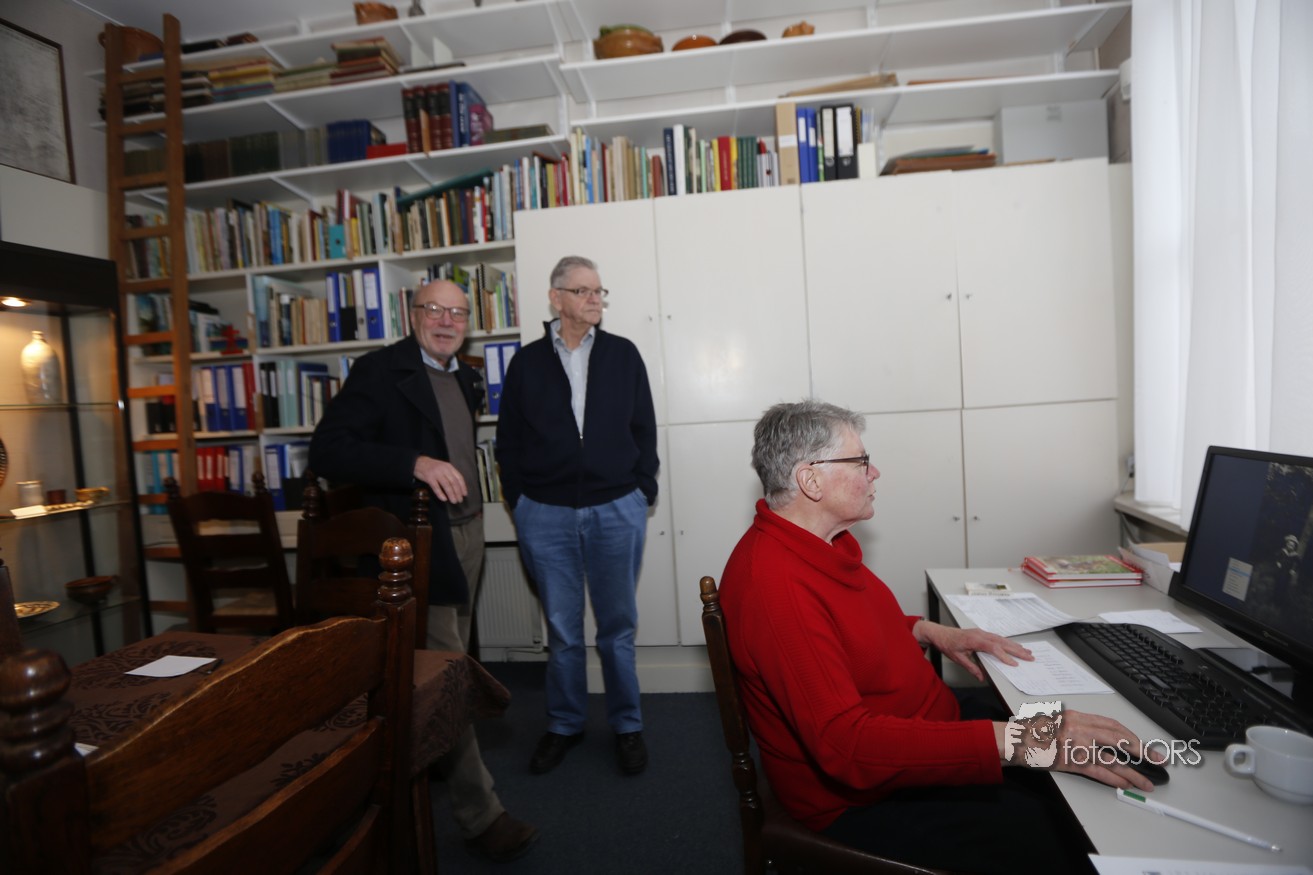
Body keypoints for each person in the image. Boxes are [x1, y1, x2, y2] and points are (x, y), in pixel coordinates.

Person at [719, 399, 1163, 874]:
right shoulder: (774, 587)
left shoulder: (818, 544)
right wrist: (1019, 740)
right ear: (812, 481)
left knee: (1088, 757)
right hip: (865, 793)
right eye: (861, 461)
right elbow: (847, 749)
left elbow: (846, 628)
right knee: (1072, 838)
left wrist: (929, 631)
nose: (875, 473)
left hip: (927, 719)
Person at [309, 278, 539, 863]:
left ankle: (421, 758)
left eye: (458, 312)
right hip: (416, 544)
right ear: (412, 314)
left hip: (467, 533)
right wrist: (414, 462)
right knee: (447, 676)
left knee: (443, 663)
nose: (446, 320)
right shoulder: (379, 371)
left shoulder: (464, 377)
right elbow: (327, 451)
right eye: (434, 309)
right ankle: (481, 815)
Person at [495, 255, 659, 777]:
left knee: (617, 628)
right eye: (583, 291)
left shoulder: (623, 354)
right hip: (545, 513)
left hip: (616, 507)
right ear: (556, 298)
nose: (595, 300)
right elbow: (508, 442)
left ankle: (627, 725)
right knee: (563, 631)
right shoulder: (526, 363)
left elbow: (644, 428)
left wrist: (642, 489)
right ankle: (564, 724)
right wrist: (520, 499)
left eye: (598, 291)